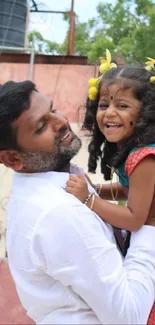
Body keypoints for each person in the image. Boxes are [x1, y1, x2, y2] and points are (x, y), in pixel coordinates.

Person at [1, 80, 155, 325]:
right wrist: (150, 220)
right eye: (42, 126)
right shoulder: (58, 213)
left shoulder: (63, 181)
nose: (61, 121)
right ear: (12, 157)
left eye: (52, 110)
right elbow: (130, 316)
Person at [66, 53, 155, 235]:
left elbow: (134, 219)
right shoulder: (133, 150)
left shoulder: (145, 158)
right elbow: (129, 190)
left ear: (145, 113)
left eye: (122, 106)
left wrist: (89, 198)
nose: (109, 113)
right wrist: (96, 189)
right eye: (104, 105)